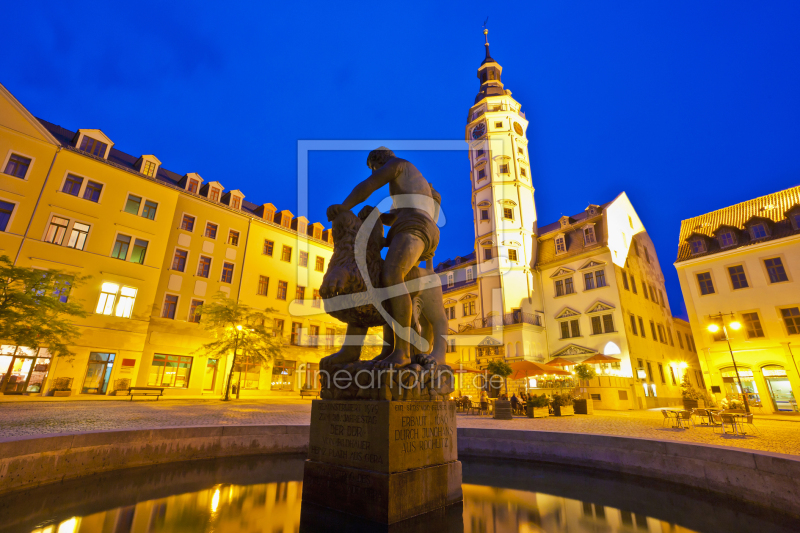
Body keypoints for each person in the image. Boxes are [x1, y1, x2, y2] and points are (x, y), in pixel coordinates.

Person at [327, 147, 442, 370]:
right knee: (381, 282)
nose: (374, 172)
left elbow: (367, 186)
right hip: (409, 224)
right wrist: (377, 215)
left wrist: (344, 206)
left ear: (376, 163)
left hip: (415, 226)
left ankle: (402, 352)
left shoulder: (398, 165)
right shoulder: (409, 182)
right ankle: (381, 349)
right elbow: (397, 215)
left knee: (391, 275)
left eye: (373, 169)